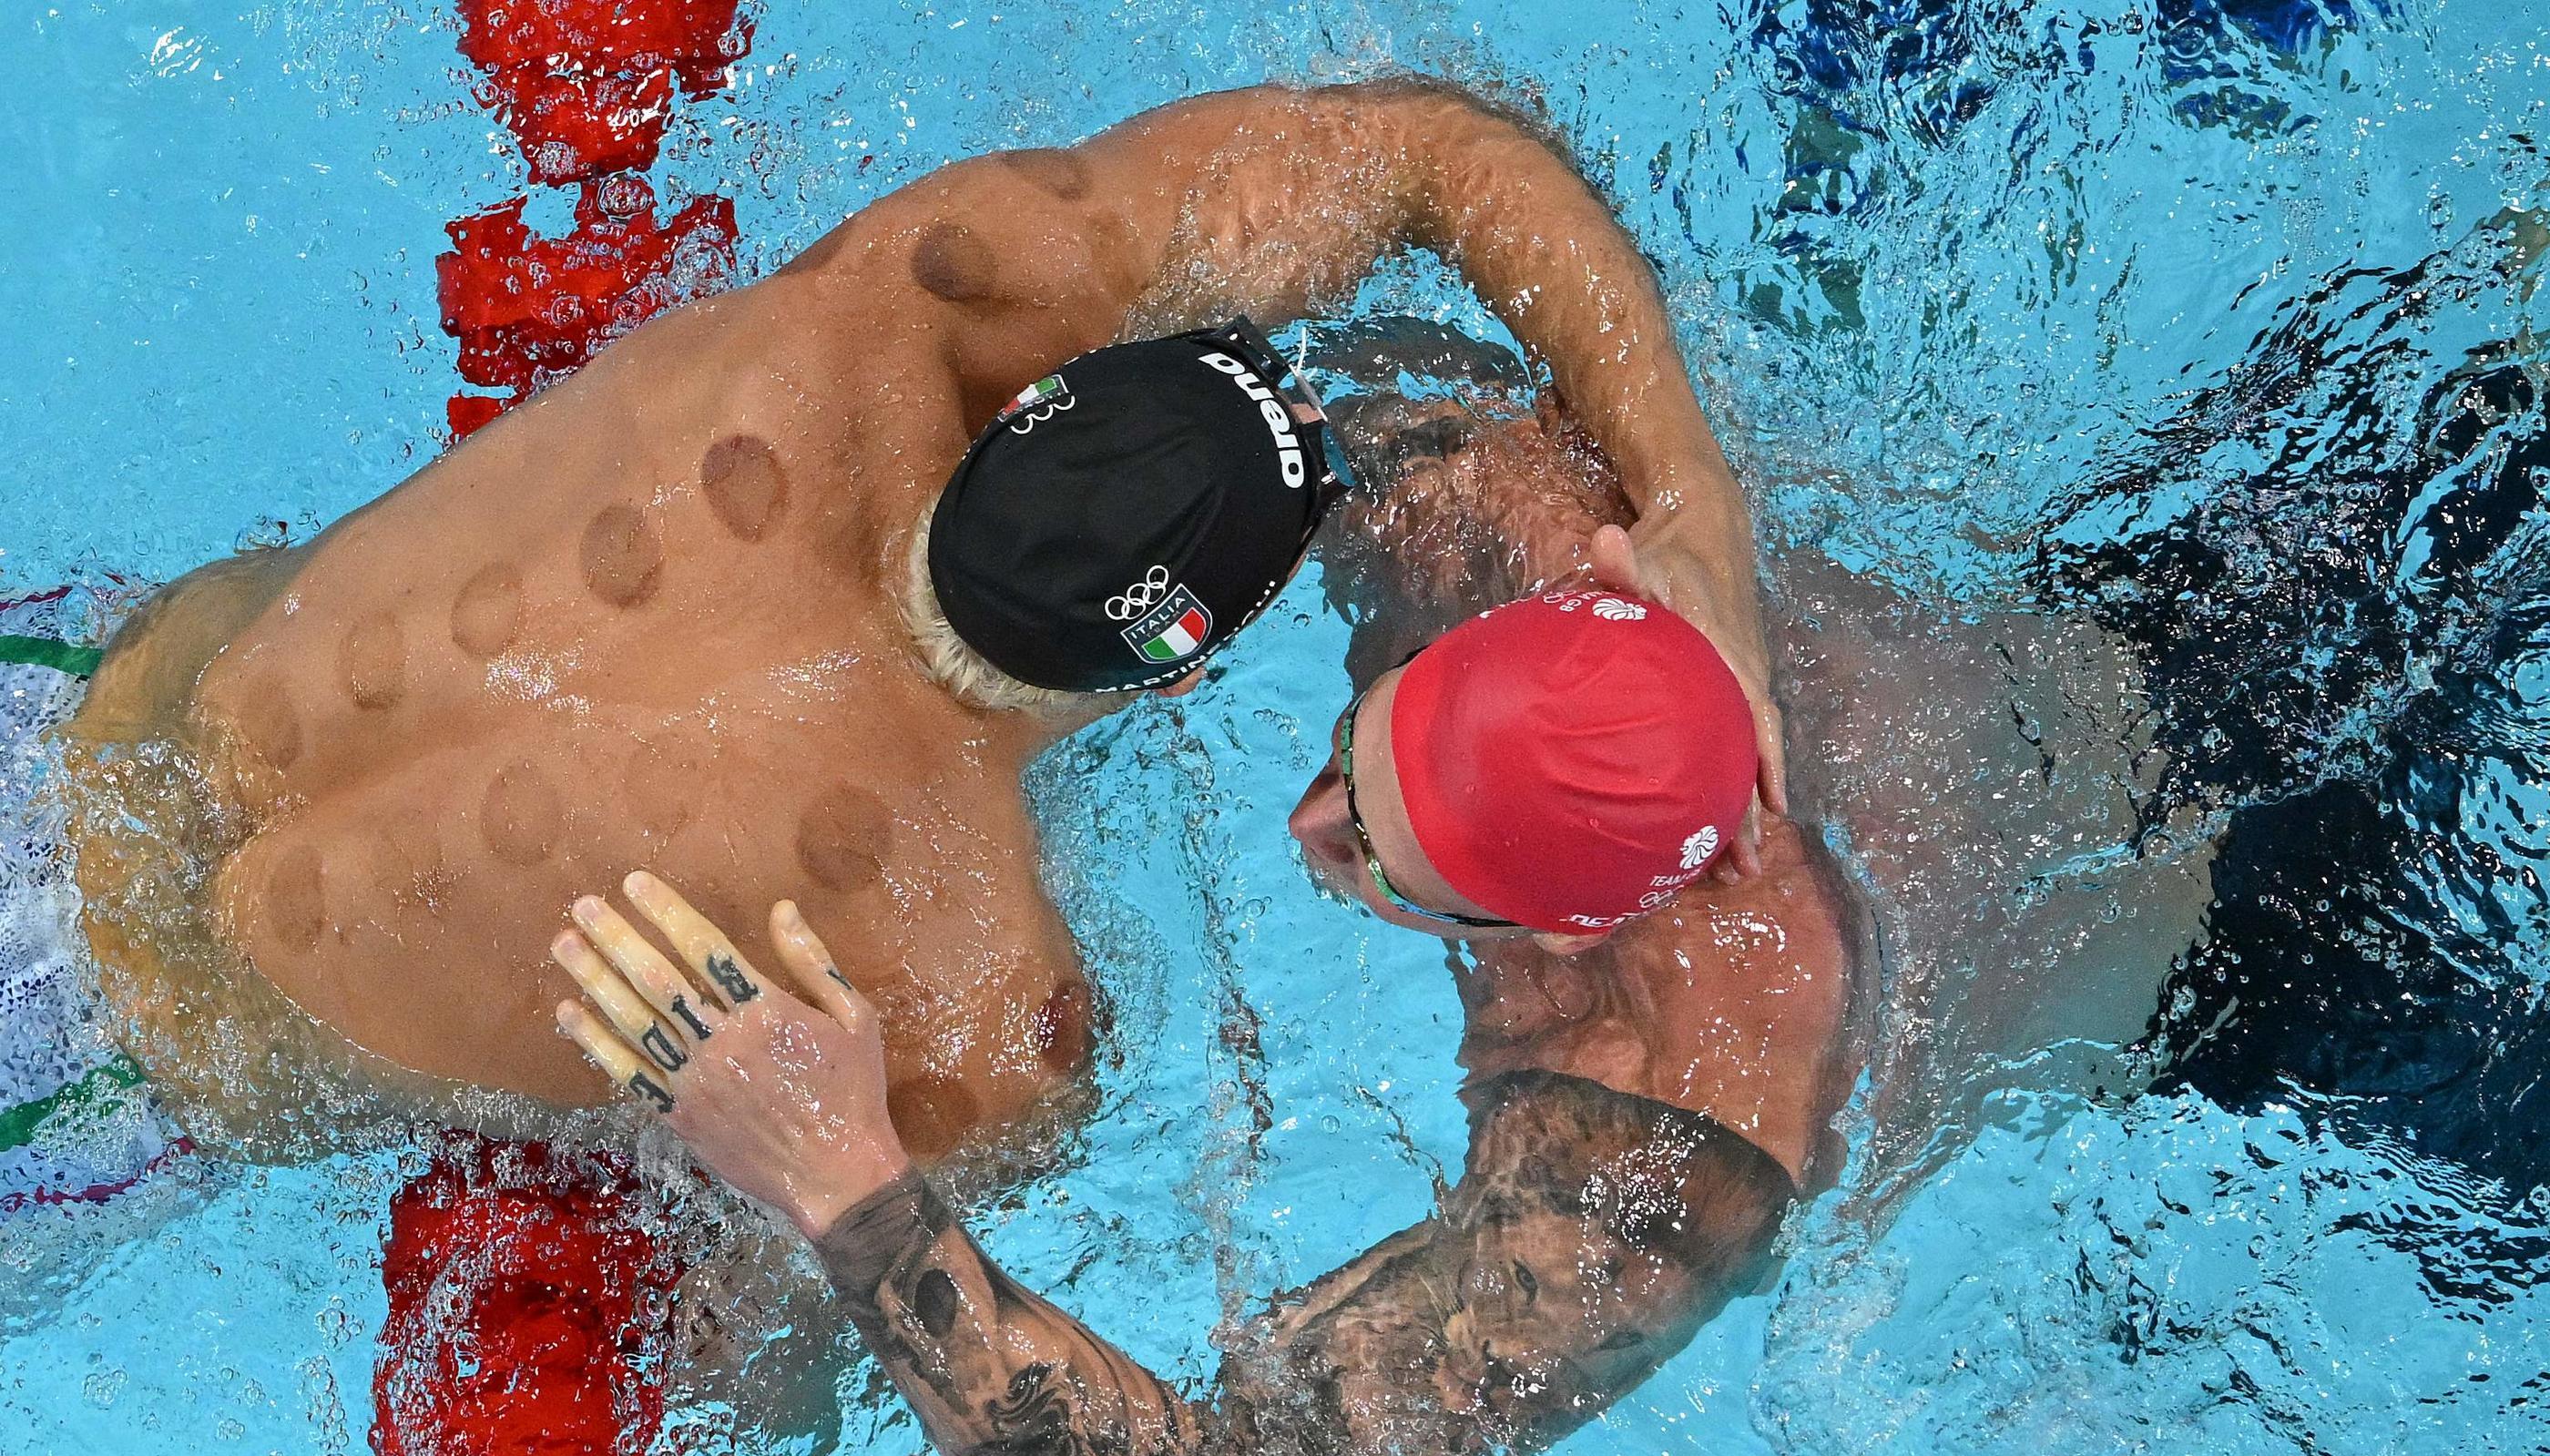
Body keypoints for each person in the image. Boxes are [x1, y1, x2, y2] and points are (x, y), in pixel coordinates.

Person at [54, 78, 1780, 1163]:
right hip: (92, 1087)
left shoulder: (883, 310)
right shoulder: (981, 1003)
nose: (1312, 819)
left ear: (1051, 395)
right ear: (1194, 656)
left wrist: (1693, 488)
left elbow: (1431, 143)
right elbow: (768, 1371)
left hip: (63, 714)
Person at [544, 584, 1866, 1456]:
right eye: (1357, 748)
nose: (1308, 825)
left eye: (1381, 860)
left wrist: (846, 1185)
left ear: (1565, 936)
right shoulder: (1520, 550)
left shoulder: (1659, 1185)